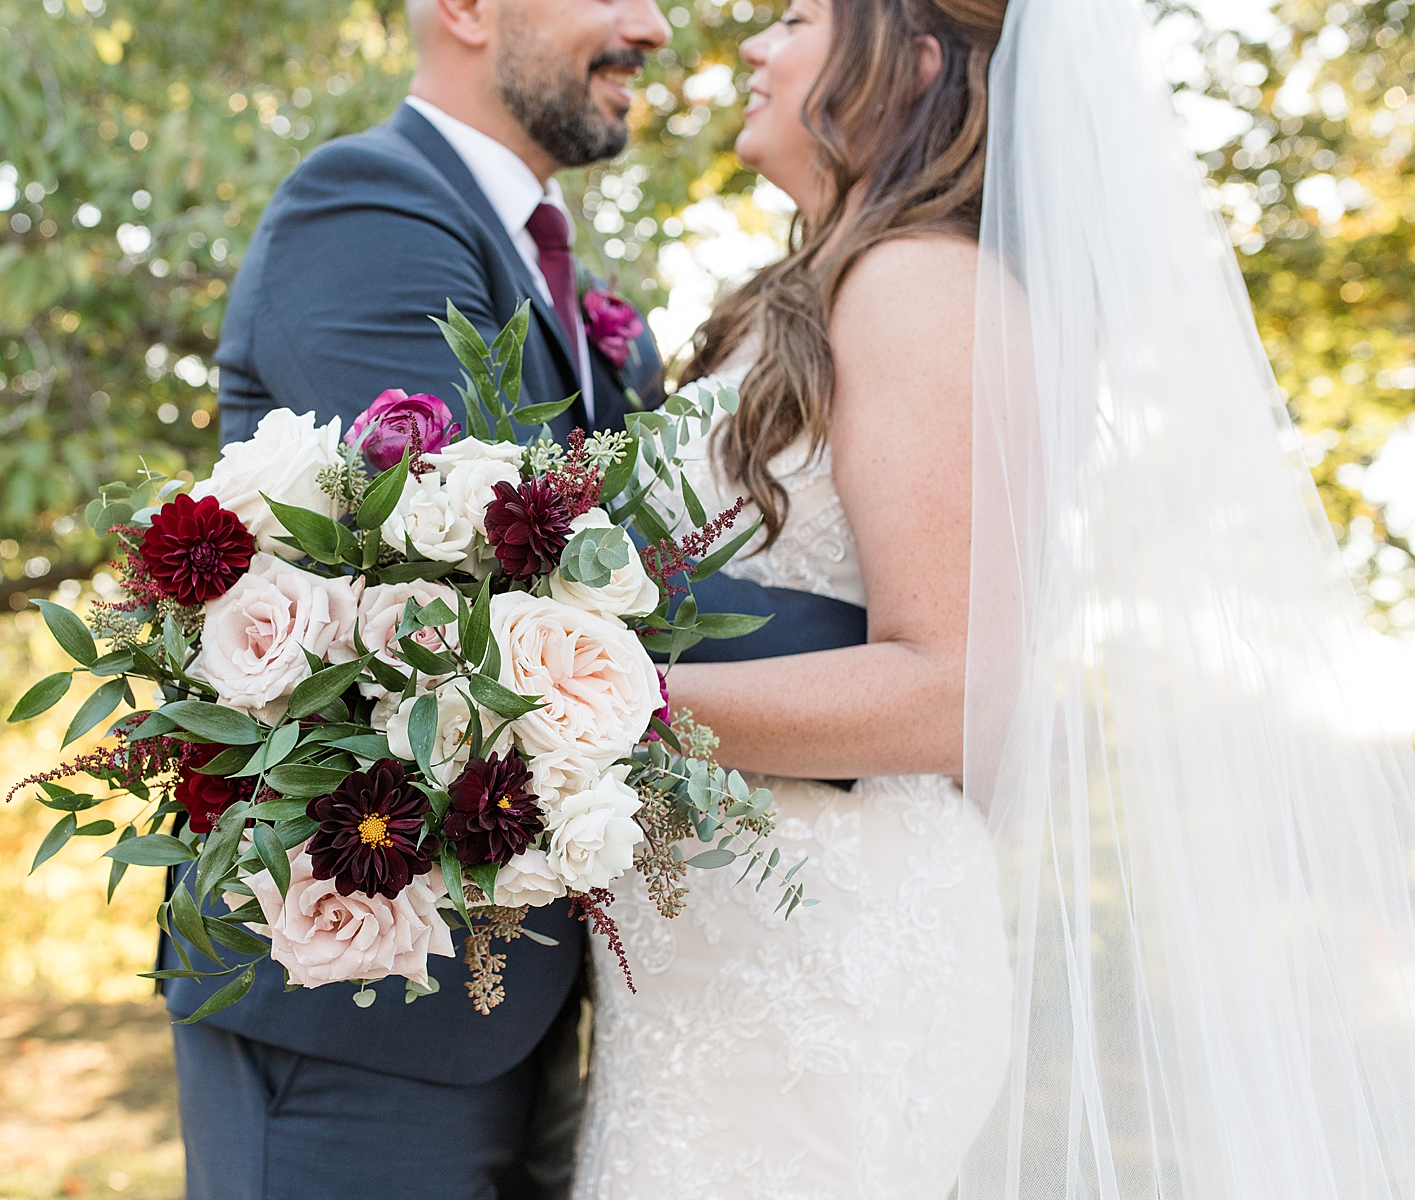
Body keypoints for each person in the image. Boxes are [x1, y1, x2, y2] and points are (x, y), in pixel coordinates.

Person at [575, 0, 1415, 1196]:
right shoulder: (823, 290)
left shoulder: (919, 283)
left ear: (912, 63)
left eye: (798, 17)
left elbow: (960, 688)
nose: (755, 48)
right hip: (723, 966)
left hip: (817, 964)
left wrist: (576, 706)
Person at [169, 1, 876, 1197]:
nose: (653, 28)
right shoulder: (369, 209)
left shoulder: (570, 286)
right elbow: (483, 582)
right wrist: (896, 663)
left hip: (530, 977)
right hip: (361, 1002)